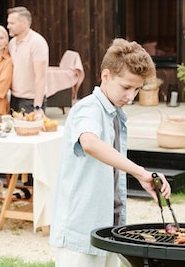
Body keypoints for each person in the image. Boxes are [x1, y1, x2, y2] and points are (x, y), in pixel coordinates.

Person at [49, 38, 171, 267]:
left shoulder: (115, 114)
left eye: (137, 89)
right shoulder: (88, 108)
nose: (131, 96)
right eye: (126, 87)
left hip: (108, 226)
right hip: (82, 230)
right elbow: (90, 143)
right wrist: (140, 172)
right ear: (106, 76)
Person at [7, 6, 49, 116]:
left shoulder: (37, 42)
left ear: (24, 24)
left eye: (12, 23)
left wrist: (37, 106)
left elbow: (40, 76)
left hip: (31, 101)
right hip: (14, 98)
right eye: (8, 23)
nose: (8, 26)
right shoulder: (11, 43)